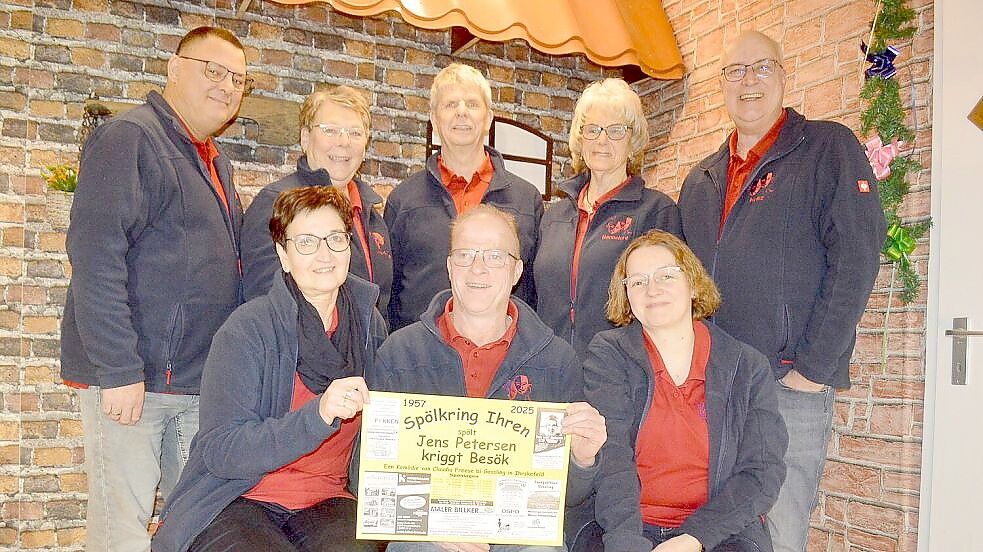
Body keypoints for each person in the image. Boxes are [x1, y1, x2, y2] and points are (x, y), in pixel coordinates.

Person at [677, 31, 886, 552]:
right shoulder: (700, 179)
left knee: (780, 531)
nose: (748, 81)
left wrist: (813, 369)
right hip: (713, 389)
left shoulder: (827, 147)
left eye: (761, 68)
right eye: (736, 71)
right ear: (723, 84)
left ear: (783, 76)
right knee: (712, 532)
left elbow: (857, 256)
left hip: (787, 384)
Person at [59, 26, 250, 551]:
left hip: (190, 385)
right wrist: (118, 370)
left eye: (237, 78)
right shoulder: (130, 138)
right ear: (173, 66)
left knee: (194, 525)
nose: (226, 86)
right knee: (122, 531)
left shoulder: (214, 160)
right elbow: (96, 258)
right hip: (132, 383)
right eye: (213, 70)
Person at [152, 186, 388, 552]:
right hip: (241, 496)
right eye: (306, 242)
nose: (324, 253)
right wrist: (319, 414)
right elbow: (221, 450)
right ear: (284, 255)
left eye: (335, 239)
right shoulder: (247, 330)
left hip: (330, 499)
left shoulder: (369, 325)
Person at [376, 205, 607, 552]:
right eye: (465, 254)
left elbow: (566, 496)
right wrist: (436, 527)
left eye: (495, 256)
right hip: (429, 535)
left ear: (516, 270)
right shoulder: (399, 353)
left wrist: (582, 459)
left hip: (521, 537)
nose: (477, 268)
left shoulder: (557, 360)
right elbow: (370, 470)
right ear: (450, 266)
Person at [577, 230, 787, 552]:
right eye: (637, 281)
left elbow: (761, 472)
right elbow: (612, 458)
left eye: (666, 275)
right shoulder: (608, 354)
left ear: (691, 283)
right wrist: (628, 544)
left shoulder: (746, 367)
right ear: (627, 297)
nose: (652, 290)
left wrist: (693, 539)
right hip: (623, 524)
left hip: (716, 529)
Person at [385, 63, 542, 330]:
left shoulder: (526, 200)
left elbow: (533, 291)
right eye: (450, 105)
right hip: (420, 357)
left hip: (504, 356)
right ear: (434, 119)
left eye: (471, 104)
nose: (461, 112)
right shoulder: (403, 201)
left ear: (488, 118)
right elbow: (389, 294)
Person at [534, 78, 681, 358]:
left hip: (620, 373)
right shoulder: (553, 218)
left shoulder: (656, 212)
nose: (602, 140)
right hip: (551, 371)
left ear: (633, 140)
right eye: (592, 130)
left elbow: (670, 307)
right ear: (580, 138)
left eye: (616, 131)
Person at [242, 85, 393, 315]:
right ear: (305, 138)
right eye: (330, 130)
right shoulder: (277, 203)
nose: (344, 142)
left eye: (355, 132)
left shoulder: (371, 215)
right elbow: (268, 302)